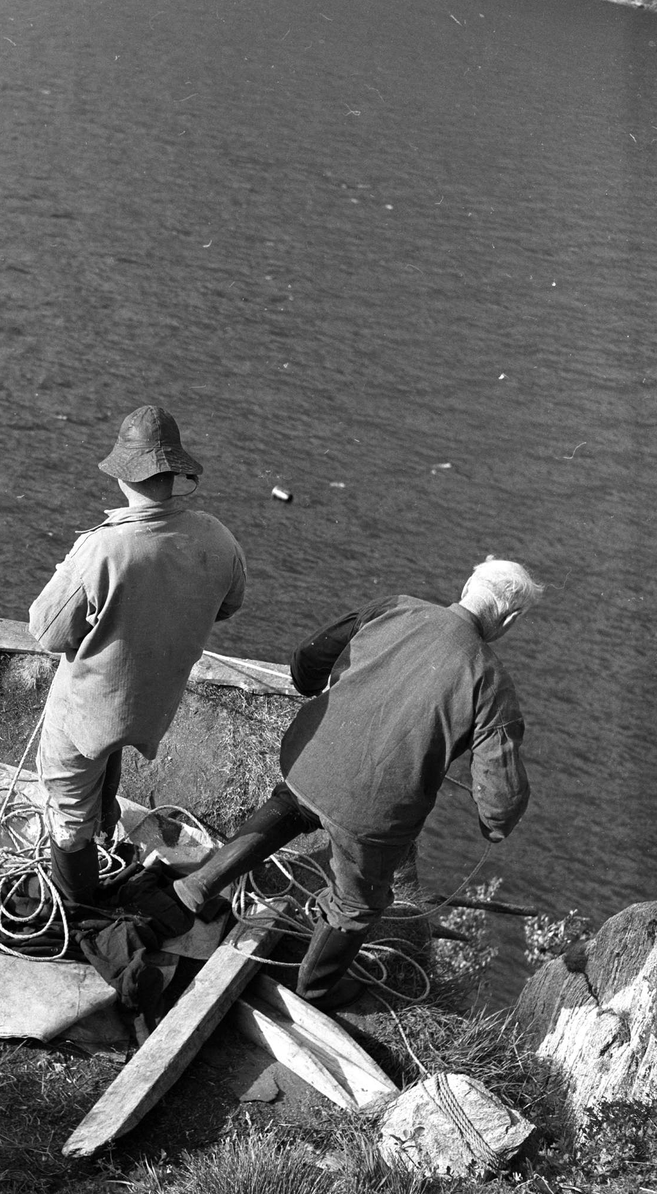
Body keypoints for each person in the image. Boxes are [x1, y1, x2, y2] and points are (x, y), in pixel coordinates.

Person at [173, 556, 543, 1009]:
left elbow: (311, 657)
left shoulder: (395, 606)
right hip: (372, 810)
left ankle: (197, 886)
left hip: (310, 756)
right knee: (356, 903)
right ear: (512, 617)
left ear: (469, 584)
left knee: (291, 805)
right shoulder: (491, 684)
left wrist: (308, 683)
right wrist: (495, 826)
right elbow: (501, 794)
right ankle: (314, 990)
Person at [28, 405, 247, 907]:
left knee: (68, 806)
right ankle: (106, 831)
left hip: (88, 704)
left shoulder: (103, 548)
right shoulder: (217, 536)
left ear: (124, 473)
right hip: (151, 704)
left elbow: (46, 631)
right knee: (110, 748)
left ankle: (79, 902)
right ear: (173, 472)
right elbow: (229, 605)